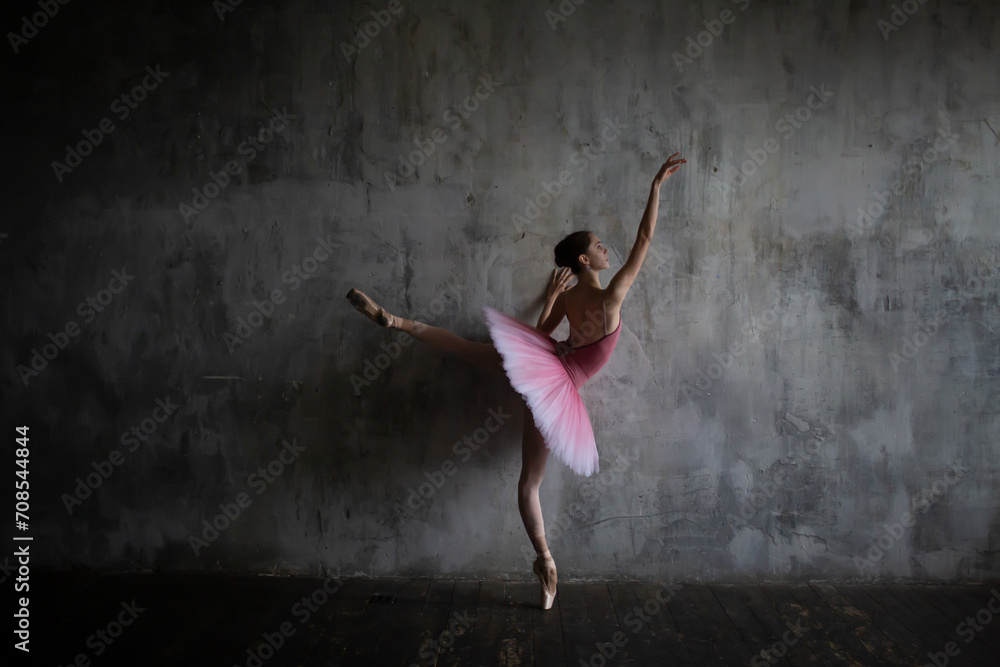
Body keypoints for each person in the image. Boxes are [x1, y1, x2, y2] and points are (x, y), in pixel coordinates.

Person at [347, 153, 686, 609]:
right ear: (586, 259)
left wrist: (550, 299)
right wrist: (655, 186)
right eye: (601, 245)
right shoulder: (613, 297)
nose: (609, 249)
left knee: (467, 354)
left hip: (543, 364)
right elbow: (646, 236)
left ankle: (397, 321)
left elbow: (541, 336)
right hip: (559, 387)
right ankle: (545, 563)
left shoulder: (569, 299)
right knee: (529, 484)